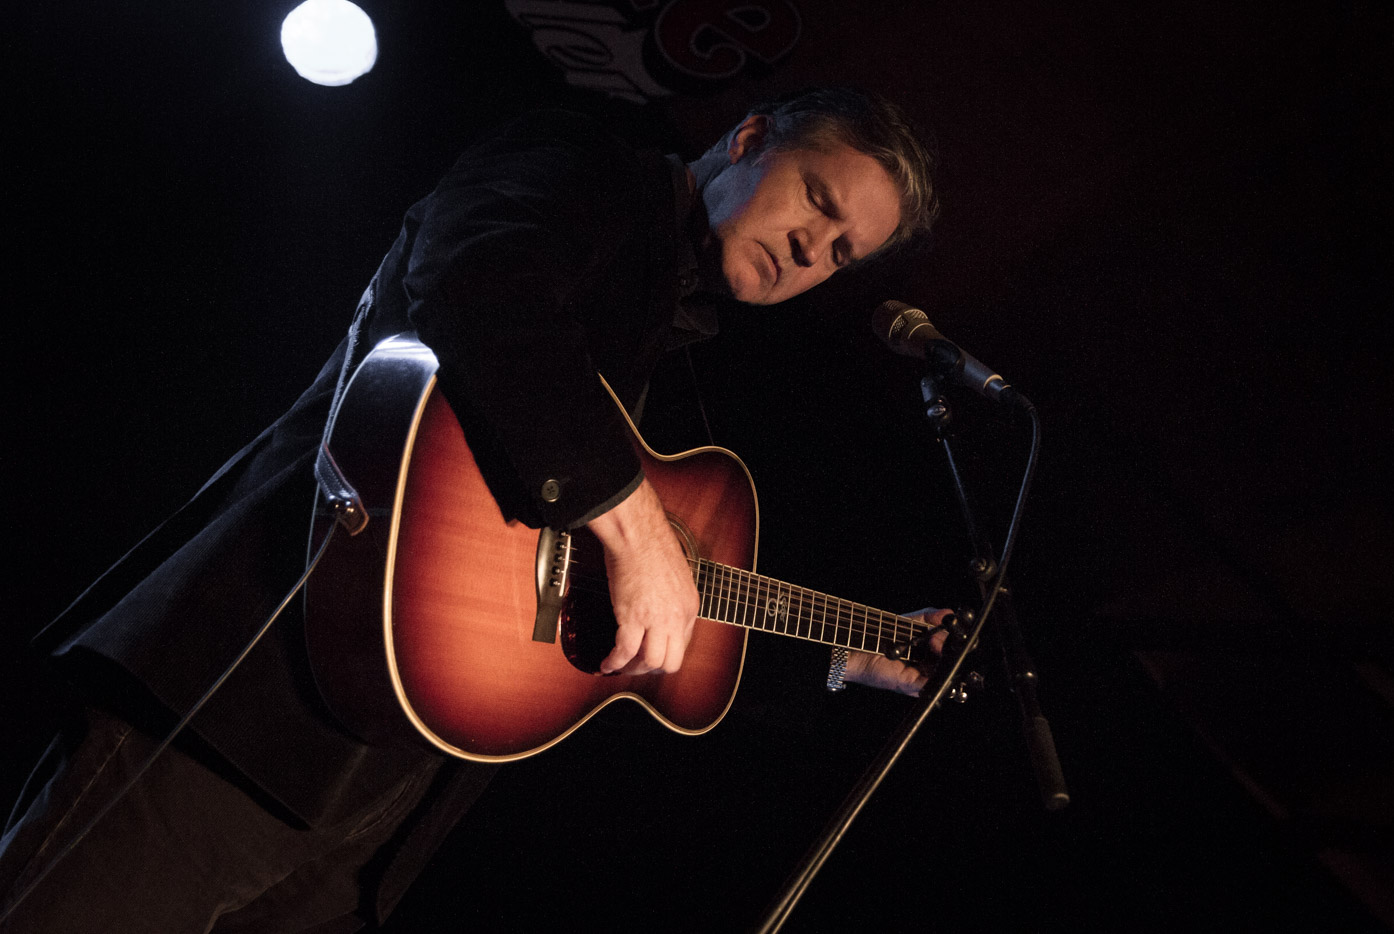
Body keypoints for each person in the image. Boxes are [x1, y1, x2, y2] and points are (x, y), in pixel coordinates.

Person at [0, 86, 941, 932]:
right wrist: (633, 523)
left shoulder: (670, 351)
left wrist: (844, 650)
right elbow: (478, 280)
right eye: (818, 200)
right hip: (252, 701)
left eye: (843, 253)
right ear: (747, 139)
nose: (813, 249)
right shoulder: (584, 166)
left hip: (369, 808)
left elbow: (638, 615)